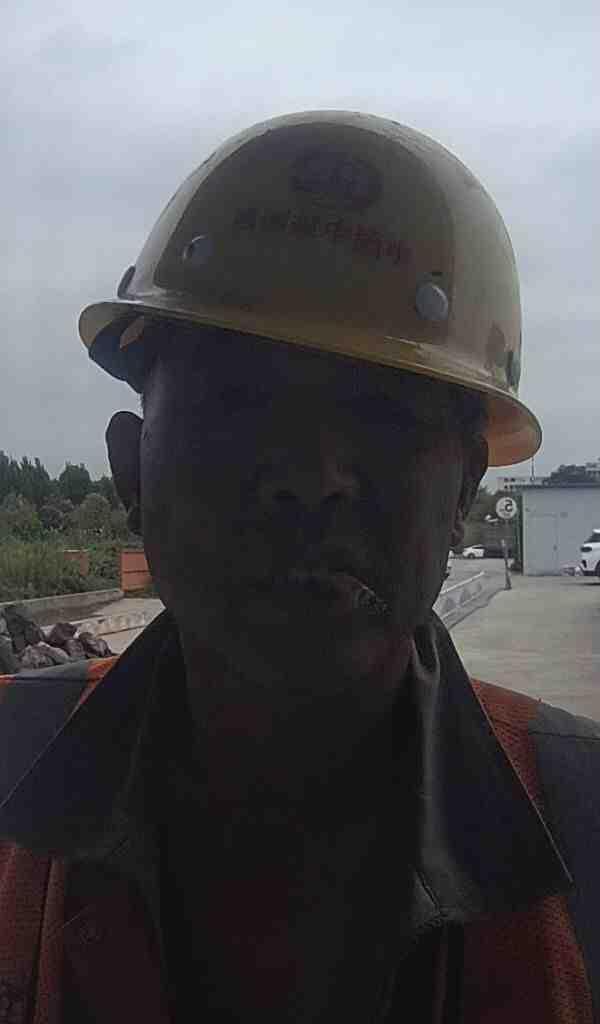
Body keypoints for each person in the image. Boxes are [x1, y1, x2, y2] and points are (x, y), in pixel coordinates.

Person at [0, 112, 598, 1023]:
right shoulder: (9, 763)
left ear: (464, 491)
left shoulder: (584, 823)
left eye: (384, 415)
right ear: (131, 472)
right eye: (240, 402)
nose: (315, 479)